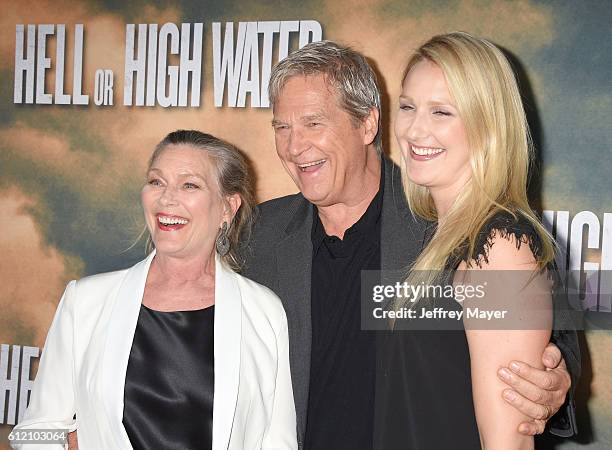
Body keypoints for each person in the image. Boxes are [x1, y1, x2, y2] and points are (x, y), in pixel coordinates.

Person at [242, 40, 579, 450]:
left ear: (367, 124)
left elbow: (533, 337)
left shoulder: (448, 225)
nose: (294, 146)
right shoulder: (258, 233)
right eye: (282, 126)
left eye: (313, 123)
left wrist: (551, 377)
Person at [11, 130, 297, 450]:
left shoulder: (262, 311)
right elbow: (29, 434)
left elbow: (278, 443)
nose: (166, 199)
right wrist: (71, 440)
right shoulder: (85, 302)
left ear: (227, 208)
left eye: (189, 185)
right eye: (156, 182)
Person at [374, 31, 575, 449]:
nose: (415, 129)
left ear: (487, 124)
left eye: (441, 112)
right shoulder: (440, 233)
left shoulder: (500, 245)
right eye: (408, 107)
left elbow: (509, 443)